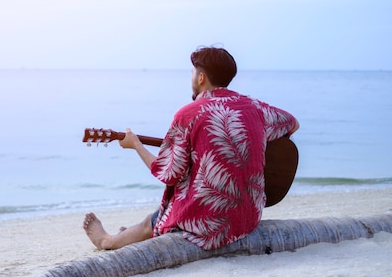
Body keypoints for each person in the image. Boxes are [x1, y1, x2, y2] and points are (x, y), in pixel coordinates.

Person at [83, 46, 299, 251]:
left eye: (193, 73)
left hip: (208, 223)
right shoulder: (254, 107)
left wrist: (135, 145)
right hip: (247, 216)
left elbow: (168, 173)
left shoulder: (189, 114)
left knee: (156, 219)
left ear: (201, 77)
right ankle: (129, 234)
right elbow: (293, 124)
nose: (192, 78)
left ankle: (107, 241)